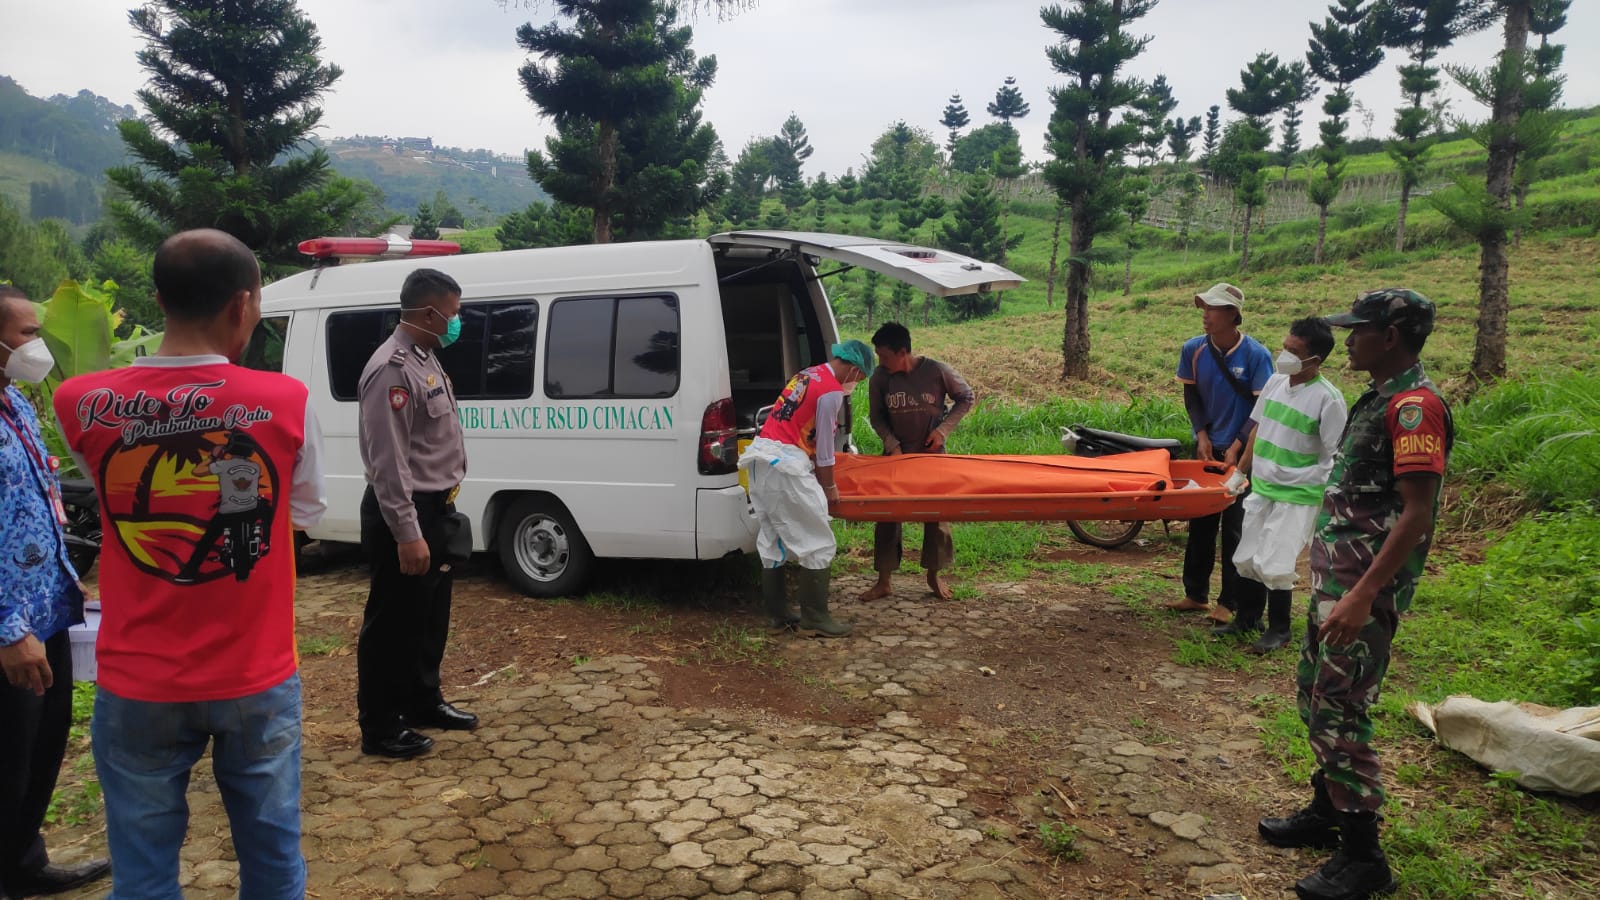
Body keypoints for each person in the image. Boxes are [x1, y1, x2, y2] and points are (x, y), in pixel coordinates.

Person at [53, 230, 326, 900]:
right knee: (272, 860)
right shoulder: (287, 401)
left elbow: (110, 496)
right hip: (254, 675)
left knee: (142, 871)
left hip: (137, 679)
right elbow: (306, 512)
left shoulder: (79, 402)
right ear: (243, 304)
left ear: (157, 298)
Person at [1257, 289, 1451, 900]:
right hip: (1335, 583)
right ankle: (1328, 811)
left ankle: (1365, 856)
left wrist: (1363, 595)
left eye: (1359, 330)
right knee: (1315, 694)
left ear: (1391, 335)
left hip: (1359, 590)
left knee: (1341, 707)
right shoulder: (1380, 398)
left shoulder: (1415, 408)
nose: (1349, 339)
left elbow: (1416, 514)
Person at [0, 287, 111, 899]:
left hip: (48, 608)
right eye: (25, 334)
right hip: (11, 627)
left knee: (40, 751)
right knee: (7, 758)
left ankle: (23, 862)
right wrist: (8, 630)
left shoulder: (14, 400)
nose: (36, 345)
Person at [356, 267, 474, 759]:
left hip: (435, 508)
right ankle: (380, 727)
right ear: (429, 312)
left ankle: (423, 702)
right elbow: (388, 461)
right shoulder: (392, 368)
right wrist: (407, 532)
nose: (456, 321)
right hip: (404, 513)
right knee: (392, 623)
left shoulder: (425, 357)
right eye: (452, 313)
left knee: (428, 617)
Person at [1219, 317, 1348, 652]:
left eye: (1294, 351)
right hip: (1262, 486)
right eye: (1285, 346)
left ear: (1314, 360)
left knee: (1276, 561)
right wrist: (1240, 472)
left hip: (1298, 494)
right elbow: (1256, 430)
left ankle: (1279, 629)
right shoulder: (1276, 382)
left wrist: (1313, 485)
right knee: (1247, 554)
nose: (1284, 355)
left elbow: (1335, 456)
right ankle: (1248, 618)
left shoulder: (1328, 400)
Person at [739, 340, 874, 638]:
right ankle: (815, 617)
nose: (856, 385)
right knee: (818, 541)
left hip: (761, 459)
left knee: (773, 538)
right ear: (853, 370)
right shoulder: (831, 392)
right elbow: (825, 447)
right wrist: (829, 486)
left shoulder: (807, 374)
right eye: (860, 379)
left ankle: (776, 615)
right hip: (786, 466)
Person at [1167, 283, 1273, 626]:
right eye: (1204, 307)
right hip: (1207, 449)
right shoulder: (1193, 349)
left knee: (1235, 528)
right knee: (1200, 520)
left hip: (1243, 453)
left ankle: (1230, 601)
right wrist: (1200, 435)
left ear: (1232, 314)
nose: (1205, 314)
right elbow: (1192, 397)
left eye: (1213, 308)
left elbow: (1262, 409)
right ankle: (1195, 593)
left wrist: (1239, 446)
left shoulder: (1257, 355)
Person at [859, 322, 975, 602]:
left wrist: (942, 431)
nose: (881, 362)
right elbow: (877, 418)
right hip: (896, 457)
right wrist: (893, 446)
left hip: (932, 456)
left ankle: (934, 576)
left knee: (936, 516)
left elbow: (966, 397)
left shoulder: (936, 371)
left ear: (903, 352)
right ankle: (884, 580)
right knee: (887, 515)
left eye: (885, 356)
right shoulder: (880, 378)